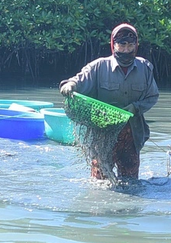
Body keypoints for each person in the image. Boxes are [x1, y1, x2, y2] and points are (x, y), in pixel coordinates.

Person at [59, 23, 159, 180]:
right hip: (102, 133)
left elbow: (152, 96)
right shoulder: (99, 66)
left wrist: (135, 108)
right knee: (100, 183)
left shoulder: (145, 68)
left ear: (136, 46)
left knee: (131, 182)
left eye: (130, 45)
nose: (126, 50)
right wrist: (69, 85)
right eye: (122, 45)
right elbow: (78, 80)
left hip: (131, 134)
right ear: (114, 45)